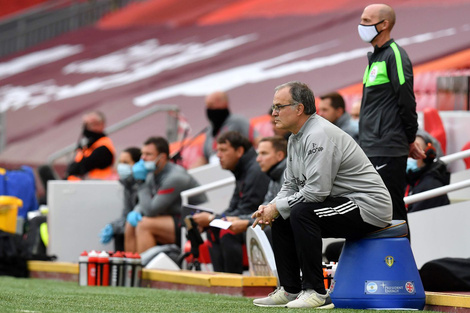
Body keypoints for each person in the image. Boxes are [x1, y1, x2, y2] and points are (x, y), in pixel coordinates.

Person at [252, 81, 392, 309]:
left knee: (301, 213)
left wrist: (279, 207)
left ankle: (316, 291)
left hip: (367, 206)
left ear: (299, 109)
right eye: (273, 107)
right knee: (283, 214)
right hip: (340, 201)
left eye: (279, 106)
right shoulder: (295, 138)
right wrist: (271, 207)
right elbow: (290, 185)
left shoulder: (319, 134)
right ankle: (290, 289)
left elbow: (316, 192)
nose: (273, 113)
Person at [357, 4, 425, 232]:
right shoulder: (374, 59)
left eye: (367, 21)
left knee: (393, 211)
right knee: (377, 212)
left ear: (384, 24)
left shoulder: (394, 55)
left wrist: (409, 139)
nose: (361, 25)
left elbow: (406, 100)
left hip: (386, 147)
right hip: (372, 147)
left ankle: (403, 267)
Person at [192, 131, 270, 274]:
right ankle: (220, 284)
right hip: (250, 219)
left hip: (262, 224)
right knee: (213, 228)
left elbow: (248, 210)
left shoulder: (255, 171)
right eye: (217, 150)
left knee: (226, 232)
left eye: (223, 150)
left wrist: (211, 219)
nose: (218, 155)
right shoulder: (242, 171)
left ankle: (233, 284)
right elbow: (234, 208)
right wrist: (213, 220)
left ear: (239, 151)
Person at [124, 137, 207, 254]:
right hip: (171, 218)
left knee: (144, 225)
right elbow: (144, 203)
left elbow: (151, 210)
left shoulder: (176, 177)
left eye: (148, 154)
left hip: (193, 221)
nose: (143, 158)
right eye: (142, 154)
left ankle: (147, 269)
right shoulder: (151, 173)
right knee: (130, 224)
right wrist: (137, 210)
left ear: (162, 157)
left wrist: (140, 183)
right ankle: (131, 268)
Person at [226, 135, 288, 238]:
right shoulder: (273, 176)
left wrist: (246, 223)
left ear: (280, 155)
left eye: (264, 153)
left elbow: (283, 211)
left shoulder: (287, 174)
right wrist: (242, 219)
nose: (258, 159)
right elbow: (265, 209)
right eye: (258, 154)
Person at [190, 91, 255, 168]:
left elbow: (257, 139)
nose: (209, 110)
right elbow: (203, 157)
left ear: (224, 103)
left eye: (211, 105)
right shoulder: (210, 131)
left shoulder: (237, 121)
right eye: (207, 106)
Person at [99, 147, 141, 251]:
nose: (122, 166)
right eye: (120, 162)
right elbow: (125, 214)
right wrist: (113, 226)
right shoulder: (127, 185)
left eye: (126, 162)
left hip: (141, 225)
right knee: (118, 232)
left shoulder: (143, 184)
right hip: (131, 225)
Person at [405, 134, 450, 213]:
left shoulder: (431, 186)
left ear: (427, 155)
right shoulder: (412, 180)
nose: (409, 158)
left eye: (414, 154)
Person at [66, 111, 116, 180]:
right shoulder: (89, 144)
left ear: (101, 125)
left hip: (96, 186)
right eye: (86, 125)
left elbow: (82, 167)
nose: (87, 128)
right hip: (78, 185)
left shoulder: (103, 147)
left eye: (92, 124)